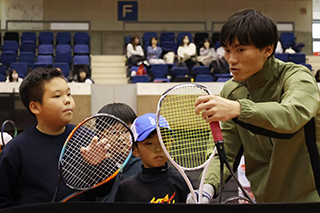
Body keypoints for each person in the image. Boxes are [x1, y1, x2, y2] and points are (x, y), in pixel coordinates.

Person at [187, 9, 320, 203]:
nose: (231, 60)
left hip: (311, 200)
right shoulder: (231, 91)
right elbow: (227, 152)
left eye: (240, 50)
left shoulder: (297, 77)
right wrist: (208, 186)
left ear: (267, 49)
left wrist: (239, 109)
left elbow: (292, 115)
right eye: (227, 50)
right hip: (263, 202)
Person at [0, 68, 111, 209]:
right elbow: (2, 199)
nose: (67, 101)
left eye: (69, 94)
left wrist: (95, 166)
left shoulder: (87, 138)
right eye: (57, 96)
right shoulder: (16, 150)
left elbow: (102, 192)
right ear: (35, 107)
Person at [115, 113, 191, 203]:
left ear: (170, 142)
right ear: (135, 150)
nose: (158, 149)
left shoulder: (182, 181)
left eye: (163, 141)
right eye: (149, 143)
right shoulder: (126, 187)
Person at [95, 102, 143, 202]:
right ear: (101, 135)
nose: (121, 138)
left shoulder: (144, 165)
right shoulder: (96, 168)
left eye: (126, 131)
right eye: (114, 132)